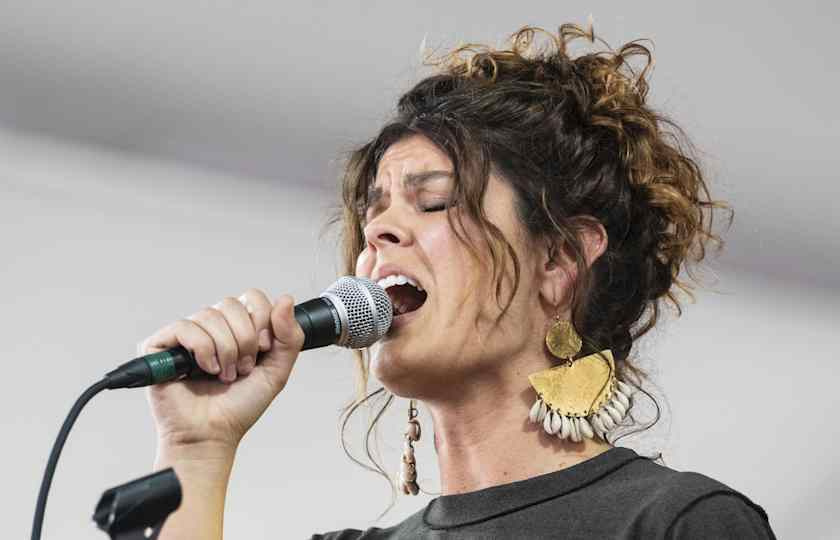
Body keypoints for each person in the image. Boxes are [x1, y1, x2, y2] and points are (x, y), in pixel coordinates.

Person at [140, 23, 776, 539]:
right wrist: (197, 448)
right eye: (373, 212)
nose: (378, 232)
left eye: (435, 202)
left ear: (558, 261)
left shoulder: (678, 522)